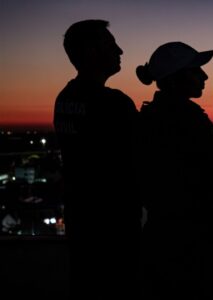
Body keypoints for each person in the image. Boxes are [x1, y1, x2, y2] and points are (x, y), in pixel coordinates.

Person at [53, 20, 142, 299]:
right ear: (92, 51)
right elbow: (140, 154)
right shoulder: (113, 103)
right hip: (113, 223)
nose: (120, 50)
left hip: (81, 217)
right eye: (110, 43)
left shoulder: (65, 97)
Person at [136, 41, 213, 300]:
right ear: (175, 79)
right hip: (186, 241)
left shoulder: (152, 117)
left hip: (161, 235)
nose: (204, 76)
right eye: (196, 70)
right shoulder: (185, 119)